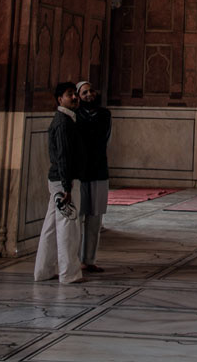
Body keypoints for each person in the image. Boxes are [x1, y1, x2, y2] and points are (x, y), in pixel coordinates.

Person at [34, 82, 85, 284]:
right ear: (59, 99)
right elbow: (63, 156)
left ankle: (43, 271)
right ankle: (69, 274)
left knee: (52, 227)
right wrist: (66, 186)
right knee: (68, 226)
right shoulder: (63, 123)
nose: (74, 97)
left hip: (60, 179)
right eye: (69, 94)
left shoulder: (66, 119)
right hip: (65, 181)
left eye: (75, 94)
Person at [76, 80, 112, 273]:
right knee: (78, 217)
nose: (89, 95)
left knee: (95, 217)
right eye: (84, 93)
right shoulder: (75, 115)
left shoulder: (104, 114)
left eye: (91, 91)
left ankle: (89, 260)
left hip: (98, 170)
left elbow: (105, 138)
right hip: (81, 172)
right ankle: (74, 260)